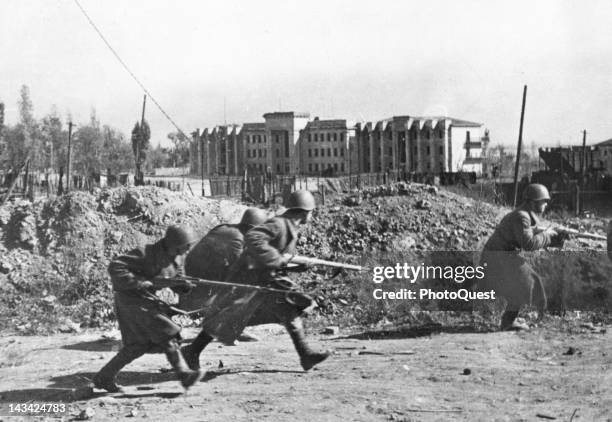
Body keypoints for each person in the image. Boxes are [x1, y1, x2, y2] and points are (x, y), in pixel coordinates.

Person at [182, 190, 331, 371]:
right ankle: (192, 351)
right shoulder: (279, 224)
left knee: (289, 310)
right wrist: (278, 259)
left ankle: (305, 355)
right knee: (226, 317)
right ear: (304, 211)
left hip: (268, 281)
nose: (312, 215)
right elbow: (254, 238)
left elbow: (281, 258)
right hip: (249, 281)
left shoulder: (290, 228)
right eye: (311, 211)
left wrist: (300, 265)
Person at [92, 225, 203, 393]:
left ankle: (104, 378)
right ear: (174, 244)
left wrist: (184, 286)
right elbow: (115, 266)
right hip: (130, 301)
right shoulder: (146, 253)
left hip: (147, 301)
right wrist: (138, 282)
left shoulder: (178, 258)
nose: (189, 248)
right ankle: (184, 375)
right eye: (186, 245)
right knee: (168, 335)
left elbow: (175, 281)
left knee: (138, 345)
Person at [179, 208, 268, 367]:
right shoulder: (237, 240)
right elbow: (240, 268)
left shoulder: (227, 228)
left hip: (197, 271)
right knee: (241, 295)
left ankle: (231, 329)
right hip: (200, 279)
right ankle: (227, 330)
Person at [479, 184, 565, 331]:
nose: (545, 204)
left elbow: (530, 235)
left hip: (502, 256)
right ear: (533, 202)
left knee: (525, 281)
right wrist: (547, 235)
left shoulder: (524, 215)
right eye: (543, 201)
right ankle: (509, 321)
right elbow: (529, 244)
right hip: (498, 258)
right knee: (526, 281)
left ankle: (510, 320)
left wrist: (556, 237)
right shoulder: (522, 217)